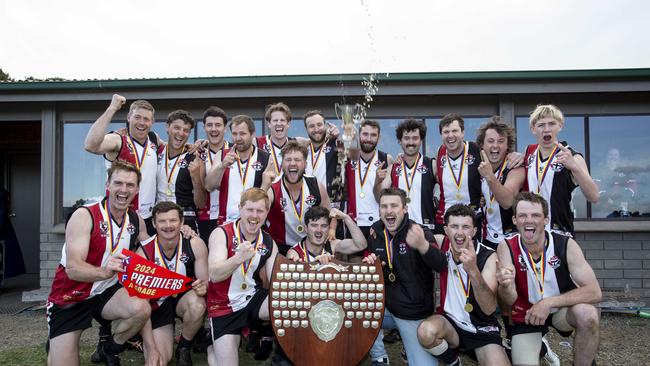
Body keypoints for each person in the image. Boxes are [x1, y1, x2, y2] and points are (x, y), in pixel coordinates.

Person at [46, 160, 157, 366]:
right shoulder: (85, 215)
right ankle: (56, 342)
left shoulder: (136, 220)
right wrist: (105, 272)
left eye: (130, 185)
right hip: (72, 295)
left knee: (141, 308)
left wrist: (185, 234)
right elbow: (73, 269)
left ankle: (110, 348)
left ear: (137, 189)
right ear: (108, 184)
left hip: (106, 292)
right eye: (118, 183)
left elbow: (153, 251)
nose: (124, 190)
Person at [496, 192, 601, 366]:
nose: (529, 220)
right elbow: (508, 301)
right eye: (522, 215)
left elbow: (594, 291)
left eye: (536, 215)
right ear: (515, 220)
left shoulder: (565, 244)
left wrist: (548, 303)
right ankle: (540, 347)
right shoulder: (506, 246)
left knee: (588, 314)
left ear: (546, 219)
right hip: (526, 314)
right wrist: (506, 286)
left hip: (560, 309)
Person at [362, 187, 447, 365]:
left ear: (405, 209)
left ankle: (412, 346)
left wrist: (423, 245)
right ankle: (379, 357)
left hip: (412, 313)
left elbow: (440, 264)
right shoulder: (376, 230)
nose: (389, 211)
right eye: (384, 206)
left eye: (394, 205)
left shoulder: (418, 232)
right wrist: (369, 261)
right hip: (385, 309)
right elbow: (370, 256)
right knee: (356, 309)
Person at [417, 204, 509, 366]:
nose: (459, 233)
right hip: (450, 324)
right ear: (446, 230)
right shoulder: (440, 243)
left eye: (466, 227)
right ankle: (453, 362)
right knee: (425, 332)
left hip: (480, 329)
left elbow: (489, 308)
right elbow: (414, 232)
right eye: (454, 226)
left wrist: (473, 270)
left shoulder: (487, 256)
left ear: (474, 231)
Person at [207, 187, 278, 366]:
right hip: (224, 306)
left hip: (252, 299)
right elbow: (214, 275)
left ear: (266, 213)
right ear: (240, 209)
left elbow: (277, 282)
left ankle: (283, 356)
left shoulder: (269, 242)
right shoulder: (221, 233)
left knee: (286, 306)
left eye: (260, 211)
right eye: (250, 209)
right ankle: (213, 345)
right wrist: (238, 259)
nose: (254, 216)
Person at [137, 201, 208, 366]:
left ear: (182, 222)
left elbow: (205, 284)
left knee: (198, 304)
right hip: (157, 305)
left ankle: (184, 347)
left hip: (183, 300)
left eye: (173, 220)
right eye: (162, 221)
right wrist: (151, 348)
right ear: (154, 223)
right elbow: (141, 308)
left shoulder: (194, 243)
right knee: (158, 362)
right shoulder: (143, 253)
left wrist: (203, 288)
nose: (168, 226)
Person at [84, 94, 160, 235]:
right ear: (128, 117)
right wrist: (112, 108)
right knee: (117, 257)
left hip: (147, 219)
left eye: (146, 119)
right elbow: (90, 145)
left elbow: (174, 149)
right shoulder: (118, 140)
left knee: (142, 257)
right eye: (137, 117)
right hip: (120, 216)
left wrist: (199, 144)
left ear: (152, 122)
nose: (142, 123)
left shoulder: (154, 139)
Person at [523, 104, 600, 236]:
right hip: (532, 233)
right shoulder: (529, 152)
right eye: (541, 125)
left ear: (560, 126)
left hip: (560, 233)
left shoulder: (572, 156)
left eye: (552, 124)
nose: (547, 129)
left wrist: (574, 167)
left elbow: (594, 196)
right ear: (533, 129)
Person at [204, 115, 275, 224]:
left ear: (252, 134)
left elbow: (270, 195)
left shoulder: (265, 157)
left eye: (242, 134)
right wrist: (222, 166)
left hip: (253, 221)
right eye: (234, 134)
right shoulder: (222, 154)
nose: (238, 138)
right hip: (227, 221)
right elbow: (209, 186)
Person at [266, 140, 331, 254]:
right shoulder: (272, 189)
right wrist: (263, 185)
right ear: (282, 164)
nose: (292, 163)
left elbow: (330, 214)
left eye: (297, 160)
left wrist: (332, 230)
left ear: (305, 164)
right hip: (280, 248)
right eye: (288, 160)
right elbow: (257, 210)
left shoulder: (315, 185)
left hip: (311, 247)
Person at [375, 118, 436, 229]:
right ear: (400, 141)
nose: (411, 142)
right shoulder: (393, 167)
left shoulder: (432, 164)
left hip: (426, 227)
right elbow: (379, 197)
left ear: (421, 140)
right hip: (400, 229)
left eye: (415, 138)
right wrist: (377, 182)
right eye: (406, 138)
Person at [475, 117, 525, 250]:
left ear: (508, 145)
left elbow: (507, 202)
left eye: (501, 141)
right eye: (490, 141)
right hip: (485, 239)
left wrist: (489, 176)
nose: (495, 146)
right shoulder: (477, 167)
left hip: (511, 239)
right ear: (482, 145)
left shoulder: (515, 167)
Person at [156, 110, 206, 232]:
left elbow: (201, 203)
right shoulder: (155, 151)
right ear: (167, 127)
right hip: (159, 219)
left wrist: (195, 179)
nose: (181, 133)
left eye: (186, 130)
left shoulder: (195, 158)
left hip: (185, 221)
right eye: (177, 128)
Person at [345, 119, 393, 237]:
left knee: (378, 256)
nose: (369, 139)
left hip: (378, 223)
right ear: (359, 135)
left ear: (379, 137)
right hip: (354, 222)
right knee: (354, 256)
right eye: (365, 134)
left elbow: (385, 195)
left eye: (373, 135)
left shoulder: (387, 159)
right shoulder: (348, 158)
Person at [196, 106, 231, 245]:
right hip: (205, 218)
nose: (214, 129)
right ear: (204, 127)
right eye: (209, 125)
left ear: (225, 128)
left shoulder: (235, 152)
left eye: (218, 125)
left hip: (230, 217)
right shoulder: (197, 153)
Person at [286, 206, 367, 262]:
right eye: (314, 225)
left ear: (328, 229)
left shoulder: (333, 246)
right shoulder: (295, 252)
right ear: (306, 228)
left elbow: (361, 245)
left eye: (324, 226)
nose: (319, 230)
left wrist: (346, 218)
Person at [255, 102, 307, 175]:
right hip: (267, 186)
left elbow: (318, 140)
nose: (279, 123)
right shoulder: (257, 143)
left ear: (288, 124)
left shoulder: (297, 143)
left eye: (282, 120)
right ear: (269, 124)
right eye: (275, 120)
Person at [303, 110, 341, 205]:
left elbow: (353, 154)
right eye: (311, 126)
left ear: (325, 126)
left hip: (331, 206)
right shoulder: (302, 151)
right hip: (307, 205)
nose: (316, 129)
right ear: (306, 129)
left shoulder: (336, 145)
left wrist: (339, 137)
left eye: (319, 125)